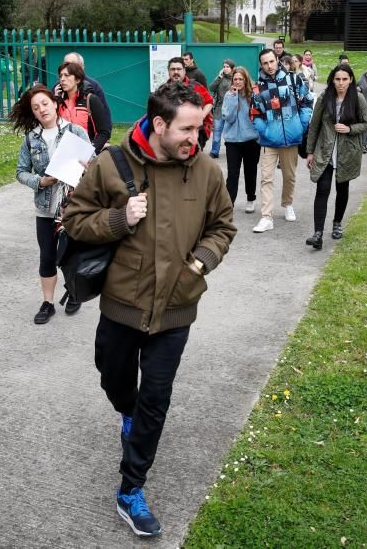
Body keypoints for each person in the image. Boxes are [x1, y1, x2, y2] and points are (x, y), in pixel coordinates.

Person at [61, 81, 235, 538]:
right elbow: (75, 220)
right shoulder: (111, 165)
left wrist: (199, 264)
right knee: (114, 378)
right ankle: (127, 412)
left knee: (156, 398)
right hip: (122, 306)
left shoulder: (206, 172)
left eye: (200, 128)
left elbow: (223, 227)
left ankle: (130, 488)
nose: (195, 138)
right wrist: (120, 219)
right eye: (187, 128)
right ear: (159, 124)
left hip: (176, 308)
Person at [11, 85, 92, 323]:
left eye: (45, 104)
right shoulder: (30, 139)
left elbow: (95, 162)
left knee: (72, 254)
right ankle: (48, 303)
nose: (41, 110)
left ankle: (74, 292)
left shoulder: (75, 132)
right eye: (36, 107)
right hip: (45, 209)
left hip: (73, 207)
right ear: (33, 113)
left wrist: (88, 167)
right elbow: (20, 172)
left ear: (55, 104)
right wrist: (40, 181)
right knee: (47, 256)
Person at [304, 65, 367, 250]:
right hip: (325, 151)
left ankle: (337, 223)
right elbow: (314, 126)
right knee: (322, 189)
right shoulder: (325, 98)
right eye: (337, 79)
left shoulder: (357, 99)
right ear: (332, 80)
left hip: (347, 152)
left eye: (344, 79)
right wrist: (310, 152)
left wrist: (350, 129)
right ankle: (318, 233)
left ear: (350, 80)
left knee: (342, 188)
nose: (341, 83)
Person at [250, 48, 313, 233]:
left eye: (271, 61)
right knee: (266, 179)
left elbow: (307, 102)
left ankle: (287, 204)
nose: (269, 66)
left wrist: (301, 125)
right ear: (261, 65)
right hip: (269, 141)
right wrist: (266, 131)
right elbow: (255, 113)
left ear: (277, 60)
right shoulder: (258, 87)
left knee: (289, 176)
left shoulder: (294, 79)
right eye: (265, 63)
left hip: (291, 139)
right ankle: (266, 217)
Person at [221, 67, 261, 211]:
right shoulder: (228, 95)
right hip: (232, 141)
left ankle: (251, 199)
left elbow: (259, 116)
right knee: (232, 173)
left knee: (250, 171)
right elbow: (229, 118)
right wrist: (233, 98)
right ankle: (228, 203)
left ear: (245, 80)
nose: (237, 82)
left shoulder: (254, 96)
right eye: (235, 79)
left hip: (251, 140)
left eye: (240, 79)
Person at [55, 61, 112, 154]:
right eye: (60, 76)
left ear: (77, 79)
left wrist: (90, 152)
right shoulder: (58, 102)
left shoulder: (91, 100)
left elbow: (104, 132)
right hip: (62, 155)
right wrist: (55, 99)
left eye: (67, 75)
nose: (62, 79)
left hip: (86, 157)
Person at [167, 57, 214, 151]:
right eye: (173, 69)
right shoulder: (164, 90)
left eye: (179, 69)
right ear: (168, 71)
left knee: (193, 162)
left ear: (184, 71)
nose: (176, 72)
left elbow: (209, 102)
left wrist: (202, 115)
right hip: (173, 133)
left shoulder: (195, 86)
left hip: (195, 133)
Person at [208, 59, 235, 158]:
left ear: (232, 68)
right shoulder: (220, 78)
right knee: (217, 132)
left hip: (231, 109)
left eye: (227, 67)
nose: (225, 68)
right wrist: (219, 77)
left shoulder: (235, 78)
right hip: (219, 109)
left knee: (229, 134)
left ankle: (231, 152)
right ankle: (215, 151)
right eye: (224, 66)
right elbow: (211, 88)